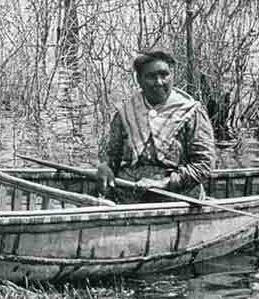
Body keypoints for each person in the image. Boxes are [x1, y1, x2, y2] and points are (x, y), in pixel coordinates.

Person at [90, 50, 216, 202]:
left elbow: (204, 165)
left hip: (176, 197)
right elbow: (111, 156)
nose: (159, 82)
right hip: (128, 195)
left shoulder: (191, 112)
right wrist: (105, 167)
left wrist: (163, 183)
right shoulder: (126, 112)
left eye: (164, 75)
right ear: (139, 80)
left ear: (172, 76)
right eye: (151, 76)